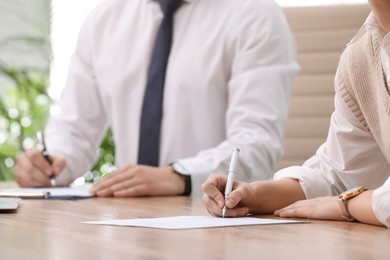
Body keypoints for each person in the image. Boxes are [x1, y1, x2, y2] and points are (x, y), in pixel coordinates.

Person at [14, 0, 298, 197]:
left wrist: (180, 176)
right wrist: (50, 164)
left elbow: (256, 145)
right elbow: (74, 128)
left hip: (211, 218)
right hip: (127, 218)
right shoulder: (104, 18)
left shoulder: (255, 14)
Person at [202, 0, 390, 228]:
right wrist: (254, 194)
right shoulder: (361, 60)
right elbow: (339, 178)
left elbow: (342, 197)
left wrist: (349, 204)